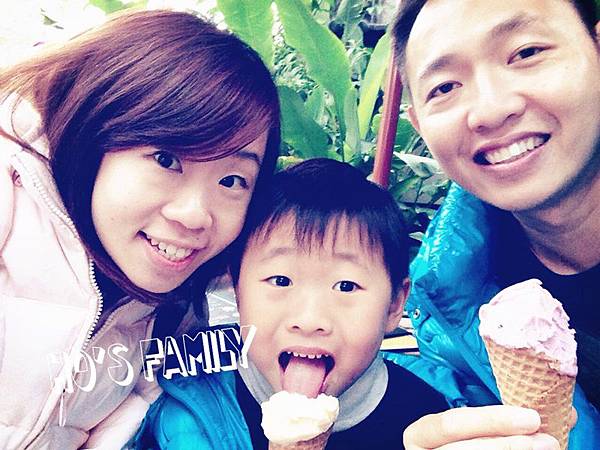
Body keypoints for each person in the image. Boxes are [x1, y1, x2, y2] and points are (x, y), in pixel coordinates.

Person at [0, 9, 280, 449]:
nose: (195, 215)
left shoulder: (178, 315)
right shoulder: (10, 199)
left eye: (231, 181)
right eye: (166, 159)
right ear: (94, 134)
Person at [387, 0, 600, 449]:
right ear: (419, 126)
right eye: (445, 87)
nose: (489, 110)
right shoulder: (449, 299)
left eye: (526, 53)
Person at [135, 158, 448, 449]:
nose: (309, 320)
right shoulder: (189, 396)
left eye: (346, 286)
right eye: (281, 281)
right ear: (237, 291)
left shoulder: (424, 420)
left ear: (394, 304)